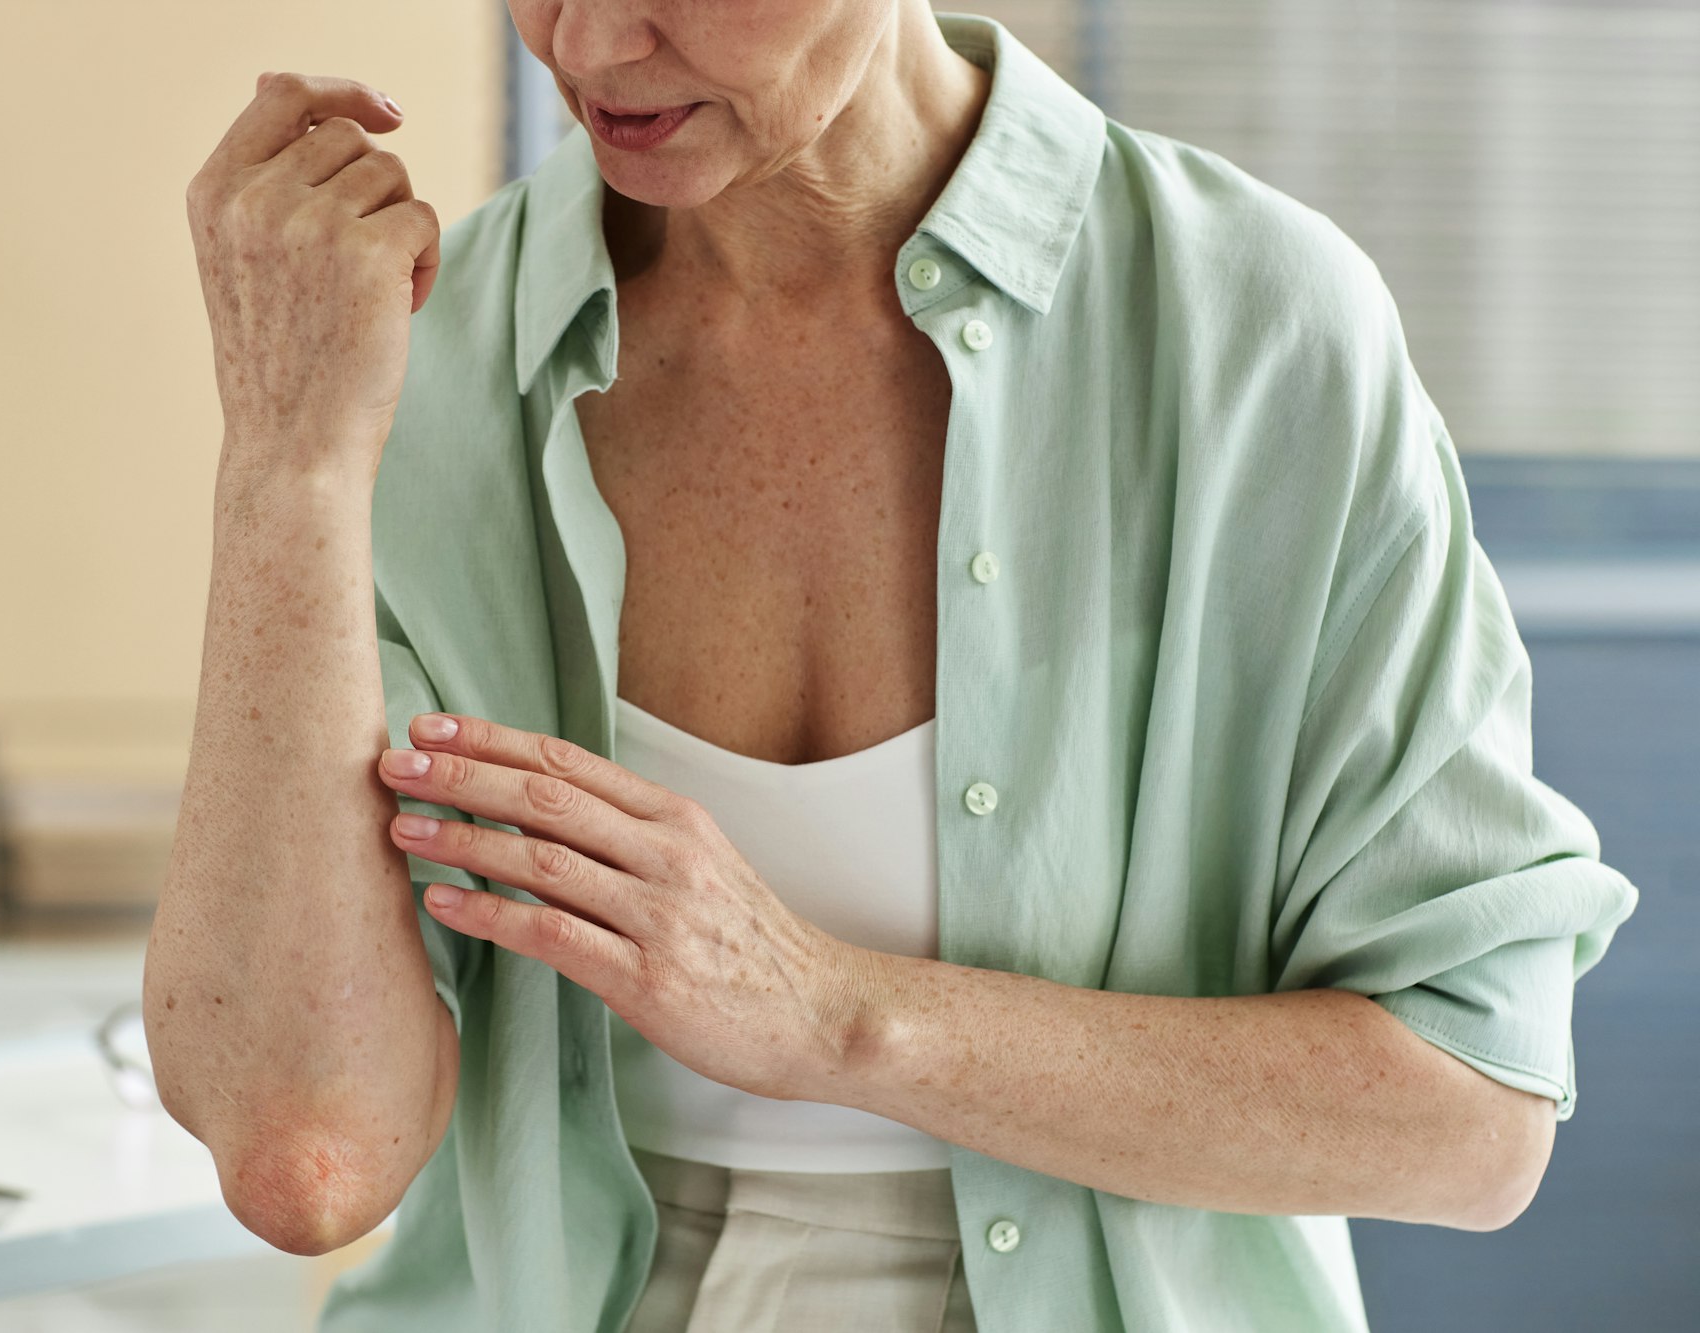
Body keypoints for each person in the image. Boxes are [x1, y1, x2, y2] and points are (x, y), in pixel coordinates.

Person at [147, 5, 1641, 1331]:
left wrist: (833, 1014)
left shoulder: (1256, 339)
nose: (590, 44)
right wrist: (287, 462)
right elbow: (304, 1156)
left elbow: (1473, 1113)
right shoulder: (415, 360)